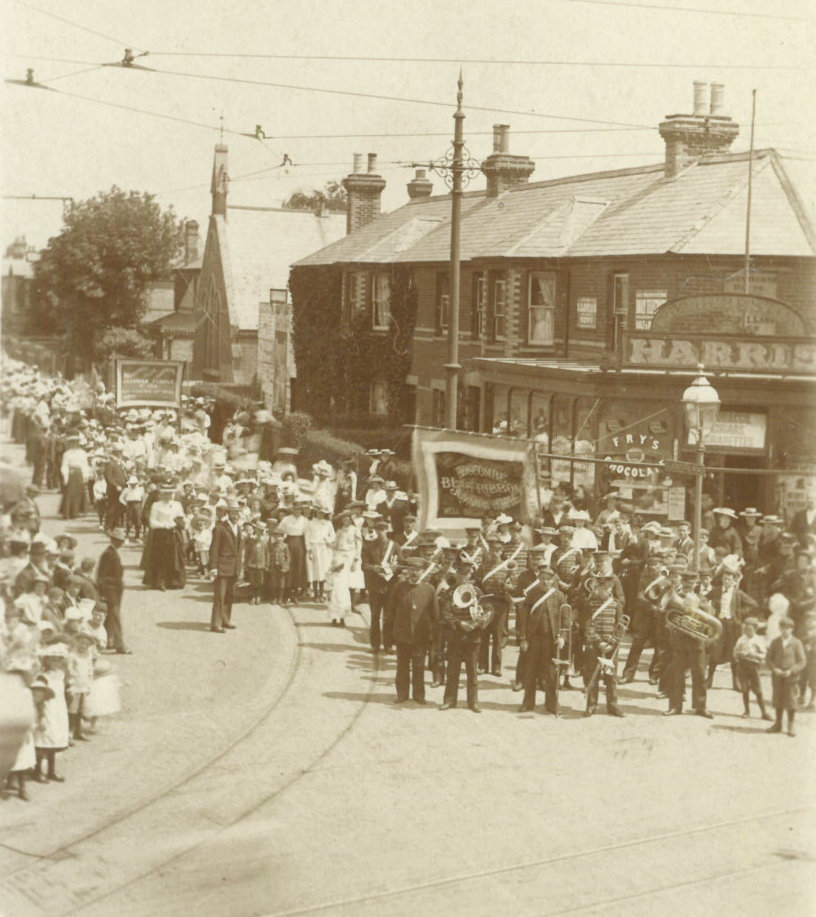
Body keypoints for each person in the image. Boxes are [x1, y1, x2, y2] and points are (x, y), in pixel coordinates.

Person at [439, 561, 492, 712]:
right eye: (460, 573)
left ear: (470, 575)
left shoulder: (477, 591)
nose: (463, 577)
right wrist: (460, 623)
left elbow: (489, 609)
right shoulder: (449, 593)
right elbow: (445, 614)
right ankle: (449, 701)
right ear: (455, 574)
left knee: (472, 673)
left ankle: (473, 703)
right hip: (456, 636)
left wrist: (479, 621)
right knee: (452, 671)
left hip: (473, 637)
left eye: (467, 573)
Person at [518, 564, 568, 714]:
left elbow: (566, 618)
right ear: (539, 579)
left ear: (553, 580)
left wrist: (563, 638)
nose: (545, 582)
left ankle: (552, 704)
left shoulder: (559, 596)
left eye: (548, 579)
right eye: (542, 579)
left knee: (552, 673)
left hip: (551, 640)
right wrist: (523, 639)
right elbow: (523, 618)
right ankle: (528, 703)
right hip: (533, 639)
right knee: (530, 672)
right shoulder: (532, 594)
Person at [392, 557, 438, 705]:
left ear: (423, 571)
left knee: (419, 666)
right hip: (403, 634)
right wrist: (391, 635)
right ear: (407, 571)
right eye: (411, 569)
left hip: (421, 636)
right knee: (402, 666)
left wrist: (433, 637)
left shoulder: (429, 589)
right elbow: (390, 612)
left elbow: (435, 615)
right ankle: (402, 694)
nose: (414, 573)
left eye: (417, 570)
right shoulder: (399, 587)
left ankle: (419, 695)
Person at [583, 574, 625, 717]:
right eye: (600, 588)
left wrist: (612, 643)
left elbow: (621, 626)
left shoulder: (616, 604)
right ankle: (591, 705)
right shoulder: (590, 604)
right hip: (594, 645)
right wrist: (599, 642)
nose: (602, 591)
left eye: (606, 588)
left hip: (610, 647)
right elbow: (588, 625)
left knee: (611, 677)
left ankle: (612, 706)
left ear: (611, 589)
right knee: (591, 676)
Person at [766, 616, 806, 737]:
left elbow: (802, 661)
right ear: (779, 628)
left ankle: (790, 724)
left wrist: (792, 671)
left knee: (791, 701)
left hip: (791, 678)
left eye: (788, 628)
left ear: (792, 629)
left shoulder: (796, 643)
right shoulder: (775, 642)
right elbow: (768, 659)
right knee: (778, 699)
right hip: (777, 677)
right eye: (783, 628)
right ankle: (778, 724)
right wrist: (774, 669)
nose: (785, 630)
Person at [361, 519, 398, 651]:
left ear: (387, 530)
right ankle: (375, 644)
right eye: (378, 530)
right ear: (375, 531)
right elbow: (364, 565)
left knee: (389, 617)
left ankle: (388, 644)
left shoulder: (394, 546)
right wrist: (374, 568)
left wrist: (393, 569)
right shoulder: (369, 546)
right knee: (375, 616)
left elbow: (401, 563)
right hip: (375, 587)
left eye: (383, 530)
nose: (381, 532)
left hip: (389, 587)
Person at [209, 500, 242, 632]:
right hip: (222, 566)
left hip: (234, 567)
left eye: (238, 513)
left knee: (230, 595)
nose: (236, 516)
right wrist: (213, 567)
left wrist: (240, 568)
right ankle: (215, 623)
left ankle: (226, 619)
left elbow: (239, 550)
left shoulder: (238, 528)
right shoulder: (219, 528)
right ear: (228, 513)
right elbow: (214, 549)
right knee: (219, 596)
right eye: (233, 513)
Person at [96, 528, 131, 654]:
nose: (121, 543)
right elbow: (101, 575)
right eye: (120, 540)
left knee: (110, 617)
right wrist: (103, 593)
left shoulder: (112, 552)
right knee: (115, 617)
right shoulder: (109, 554)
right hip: (110, 591)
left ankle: (108, 641)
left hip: (115, 591)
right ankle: (119, 645)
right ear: (114, 540)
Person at [733, 617, 772, 721]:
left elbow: (764, 655)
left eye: (750, 629)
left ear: (755, 629)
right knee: (744, 688)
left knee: (758, 689)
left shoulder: (758, 640)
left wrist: (753, 654)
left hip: (754, 666)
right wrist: (739, 654)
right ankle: (747, 711)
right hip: (742, 665)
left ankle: (764, 712)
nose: (747, 631)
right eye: (746, 629)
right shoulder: (741, 639)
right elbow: (734, 653)